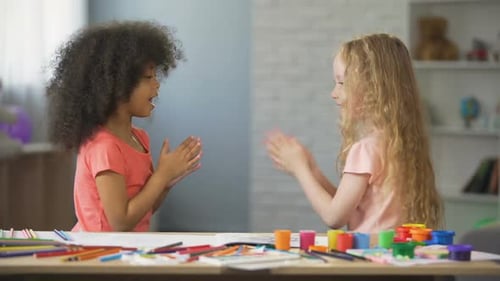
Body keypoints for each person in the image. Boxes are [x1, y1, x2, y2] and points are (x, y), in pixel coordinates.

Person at [265, 33, 442, 233]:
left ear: (372, 89)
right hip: (392, 258)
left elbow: (334, 217)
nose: (334, 93)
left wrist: (300, 170)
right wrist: (313, 170)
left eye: (341, 83)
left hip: (368, 258)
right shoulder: (399, 144)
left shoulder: (365, 149)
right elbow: (351, 207)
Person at [47, 21, 203, 232]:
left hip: (125, 253)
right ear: (116, 86)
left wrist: (164, 183)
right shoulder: (104, 147)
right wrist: (161, 176)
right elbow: (120, 222)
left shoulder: (139, 138)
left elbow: (144, 210)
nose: (157, 84)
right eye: (148, 77)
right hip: (96, 256)